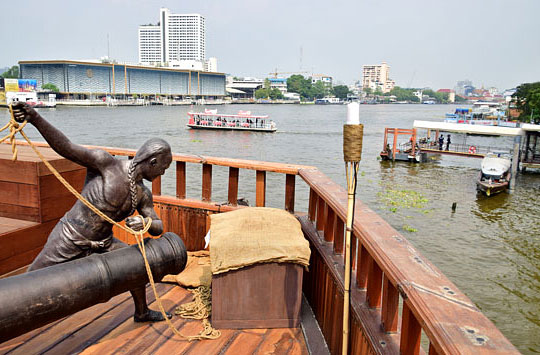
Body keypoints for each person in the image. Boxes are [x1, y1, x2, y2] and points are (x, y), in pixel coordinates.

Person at [11, 102, 173, 323]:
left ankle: (142, 312)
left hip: (103, 242)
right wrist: (34, 117)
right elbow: (66, 147)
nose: (163, 172)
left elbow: (157, 226)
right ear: (153, 162)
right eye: (164, 167)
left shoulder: (143, 194)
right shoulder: (106, 164)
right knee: (30, 281)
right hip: (71, 236)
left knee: (137, 265)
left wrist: (144, 224)